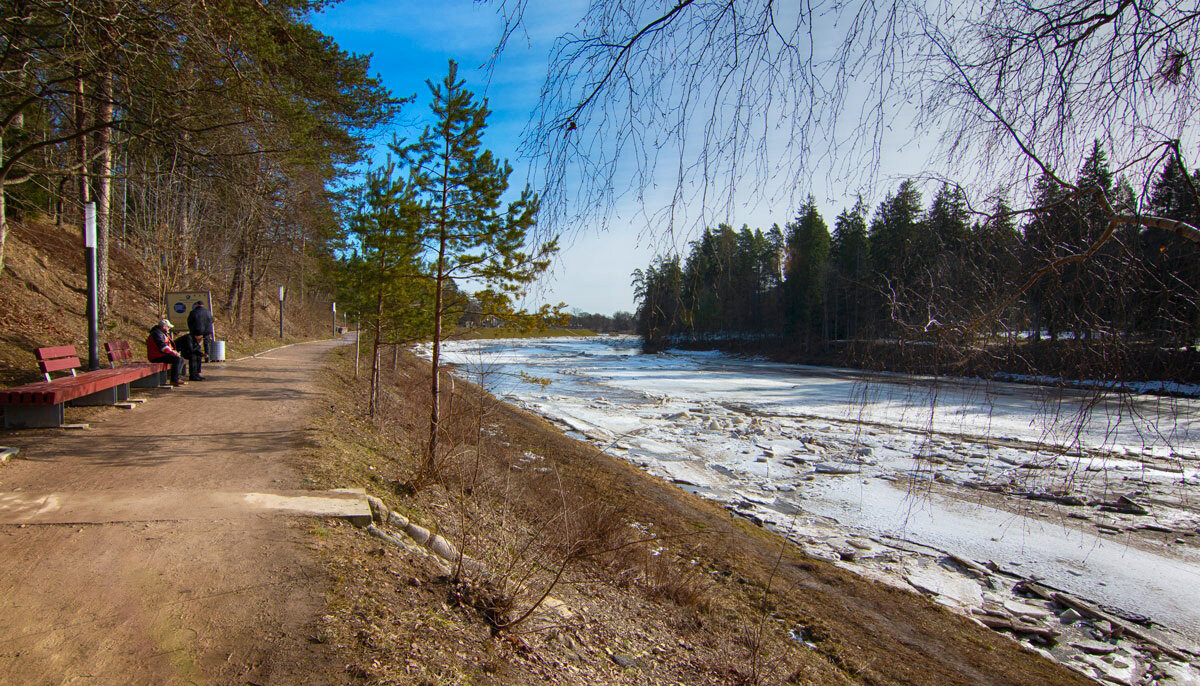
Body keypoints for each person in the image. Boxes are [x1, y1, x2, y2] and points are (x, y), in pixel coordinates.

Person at [147, 318, 185, 386]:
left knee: (180, 359)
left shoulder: (161, 333)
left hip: (161, 355)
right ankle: (174, 379)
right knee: (178, 359)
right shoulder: (157, 334)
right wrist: (174, 353)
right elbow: (163, 347)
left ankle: (176, 378)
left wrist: (174, 352)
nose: (169, 329)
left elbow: (167, 346)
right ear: (164, 327)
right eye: (168, 327)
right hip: (156, 356)